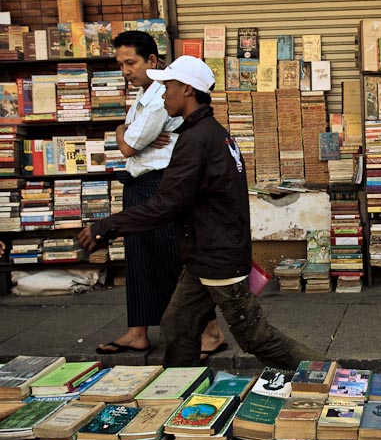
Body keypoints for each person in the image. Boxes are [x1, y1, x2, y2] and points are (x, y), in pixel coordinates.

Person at [79, 55, 325, 368]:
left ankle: (332, 377)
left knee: (256, 337)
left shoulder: (197, 140)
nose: (163, 94)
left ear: (187, 89)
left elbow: (166, 203)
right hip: (205, 255)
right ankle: (178, 390)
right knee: (177, 325)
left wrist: (106, 227)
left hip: (217, 258)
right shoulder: (211, 133)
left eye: (168, 86)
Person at [96, 31, 226, 358]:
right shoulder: (146, 95)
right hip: (139, 183)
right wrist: (129, 134)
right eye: (121, 64)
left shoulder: (159, 97)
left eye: (131, 62)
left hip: (158, 183)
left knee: (171, 259)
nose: (125, 70)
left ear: (151, 60)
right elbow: (133, 140)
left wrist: (122, 132)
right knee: (141, 261)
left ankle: (211, 332)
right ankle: (137, 332)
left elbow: (127, 144)